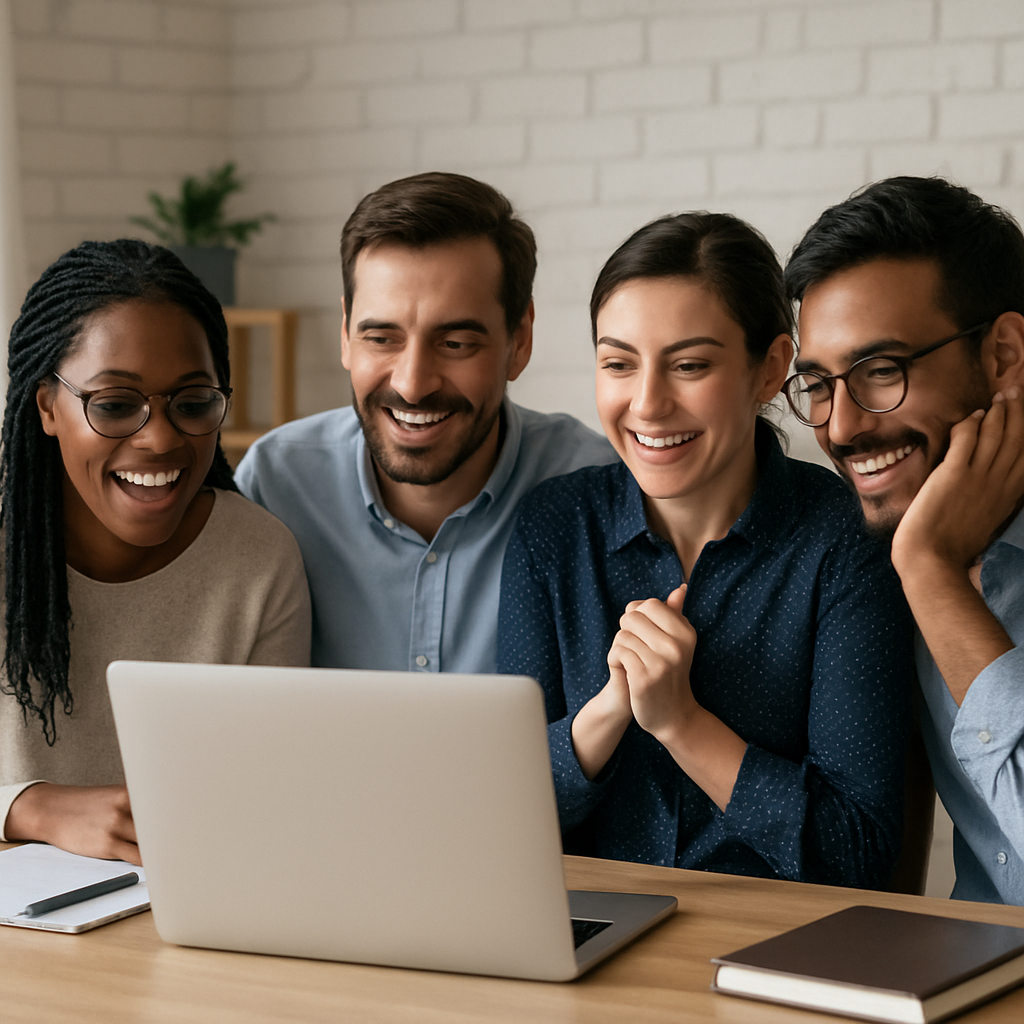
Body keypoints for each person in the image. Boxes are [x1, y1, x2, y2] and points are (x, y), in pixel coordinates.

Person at [497, 212, 912, 887]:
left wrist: (682, 723)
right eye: (618, 364)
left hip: (778, 935)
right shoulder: (555, 528)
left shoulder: (844, 540)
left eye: (689, 365)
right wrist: (610, 709)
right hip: (589, 928)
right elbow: (500, 820)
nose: (647, 404)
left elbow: (857, 854)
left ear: (769, 369)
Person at [0, 239, 311, 865]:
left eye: (192, 404)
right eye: (115, 406)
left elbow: (271, 791)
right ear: (47, 407)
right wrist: (31, 807)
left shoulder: (257, 560)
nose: (161, 439)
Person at [236, 172, 615, 673]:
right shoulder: (275, 484)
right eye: (381, 339)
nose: (413, 385)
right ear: (346, 334)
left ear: (519, 340)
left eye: (455, 343)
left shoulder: (595, 486)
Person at [783, 176, 1024, 904]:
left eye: (882, 372)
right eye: (818, 385)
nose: (841, 428)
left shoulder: (918, 553)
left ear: (1004, 355)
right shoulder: (883, 544)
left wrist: (931, 573)